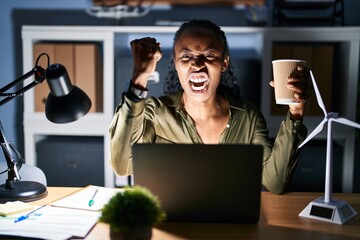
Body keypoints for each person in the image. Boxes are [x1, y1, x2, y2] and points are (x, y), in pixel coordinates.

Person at [109, 19, 310, 194]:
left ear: (224, 63)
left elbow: (274, 183)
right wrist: (139, 79)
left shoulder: (248, 117)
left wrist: (296, 111)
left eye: (210, 55)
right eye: (186, 57)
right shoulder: (153, 113)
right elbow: (122, 165)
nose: (197, 64)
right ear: (176, 64)